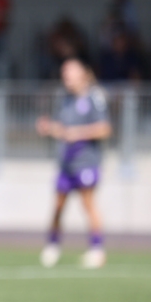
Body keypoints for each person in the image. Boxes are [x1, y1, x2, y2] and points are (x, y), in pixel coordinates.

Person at [36, 57, 112, 269]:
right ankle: (53, 245)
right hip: (66, 163)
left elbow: (105, 128)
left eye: (69, 73)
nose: (65, 78)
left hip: (86, 161)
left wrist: (78, 133)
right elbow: (63, 129)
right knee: (58, 206)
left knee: (88, 204)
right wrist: (49, 128)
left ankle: (97, 249)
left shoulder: (94, 98)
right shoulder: (65, 99)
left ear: (82, 74)